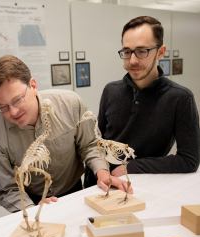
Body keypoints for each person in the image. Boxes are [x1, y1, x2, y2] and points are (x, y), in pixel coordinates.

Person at [0, 55, 128, 213]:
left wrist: (102, 172)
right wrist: (34, 211)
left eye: (17, 100)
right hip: (32, 203)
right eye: (3, 107)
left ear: (33, 85)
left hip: (75, 191)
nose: (13, 112)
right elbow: (7, 189)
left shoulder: (70, 104)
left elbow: (90, 144)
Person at [85, 15, 199, 186]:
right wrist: (92, 182)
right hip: (100, 186)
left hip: (143, 188)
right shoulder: (111, 91)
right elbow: (97, 144)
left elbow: (189, 160)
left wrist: (131, 167)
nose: (132, 60)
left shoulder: (180, 98)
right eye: (127, 52)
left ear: (161, 52)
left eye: (141, 51)